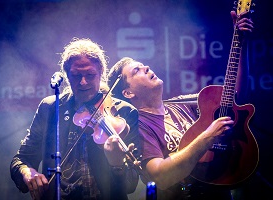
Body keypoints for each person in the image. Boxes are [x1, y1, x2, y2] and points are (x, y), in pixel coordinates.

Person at [107, 11, 254, 200]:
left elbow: (234, 97)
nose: (146, 68)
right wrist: (208, 136)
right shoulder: (139, 125)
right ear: (128, 93)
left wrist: (241, 41)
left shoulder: (182, 105)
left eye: (143, 65)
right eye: (137, 71)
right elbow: (160, 176)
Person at [10, 38, 140, 200]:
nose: (83, 82)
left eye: (90, 75)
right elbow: (21, 160)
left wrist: (117, 165)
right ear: (67, 75)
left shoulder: (124, 113)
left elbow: (131, 184)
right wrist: (28, 173)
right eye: (76, 75)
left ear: (101, 72)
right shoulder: (51, 108)